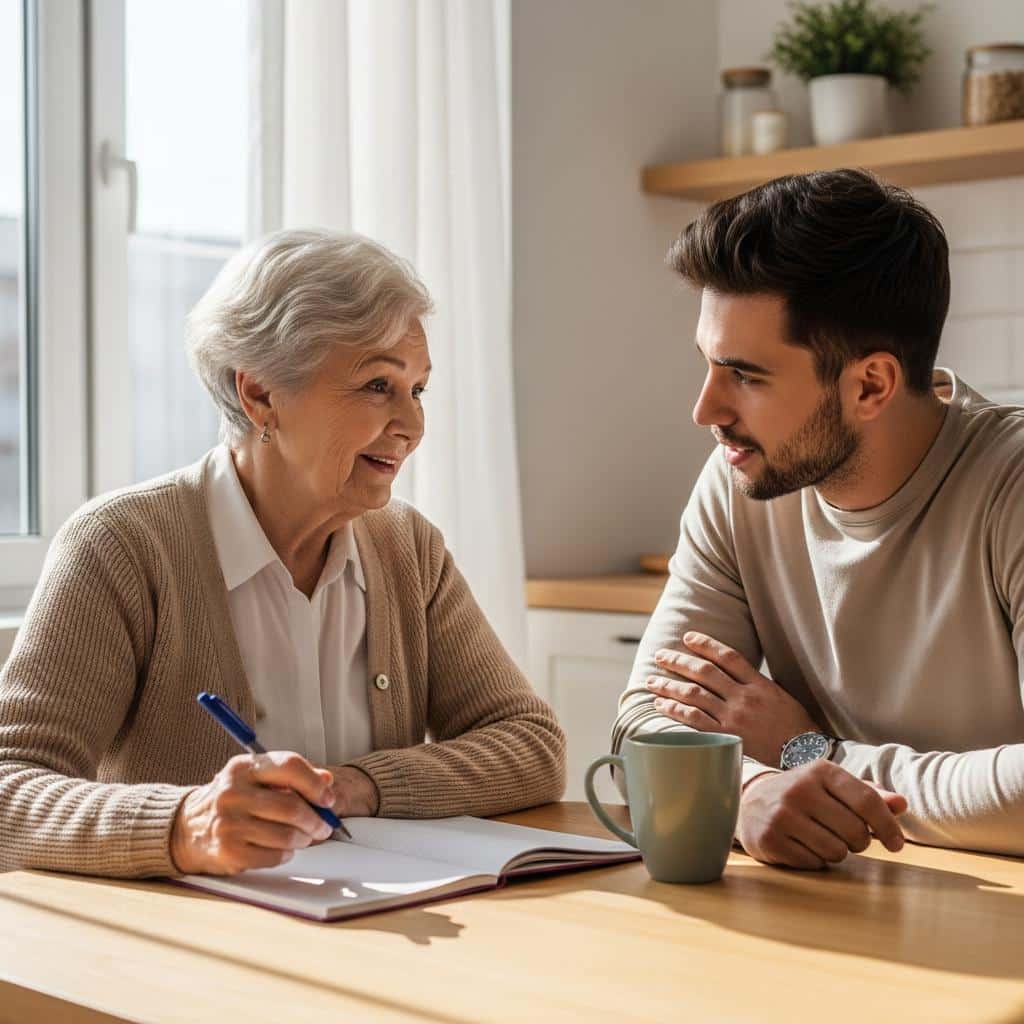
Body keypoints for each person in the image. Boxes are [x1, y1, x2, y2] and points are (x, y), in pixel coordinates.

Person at [0, 229, 565, 878]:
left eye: (418, 390)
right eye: (378, 385)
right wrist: (186, 826)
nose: (412, 426)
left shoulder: (408, 548)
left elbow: (532, 746)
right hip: (188, 957)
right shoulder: (122, 546)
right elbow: (9, 789)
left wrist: (354, 787)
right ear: (261, 393)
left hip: (382, 930)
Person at [613, 168, 1024, 869]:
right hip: (840, 898)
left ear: (870, 385)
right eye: (709, 365)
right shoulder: (739, 480)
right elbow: (641, 730)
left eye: (745, 375)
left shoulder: (1009, 485)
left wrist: (813, 753)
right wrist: (746, 794)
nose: (706, 410)